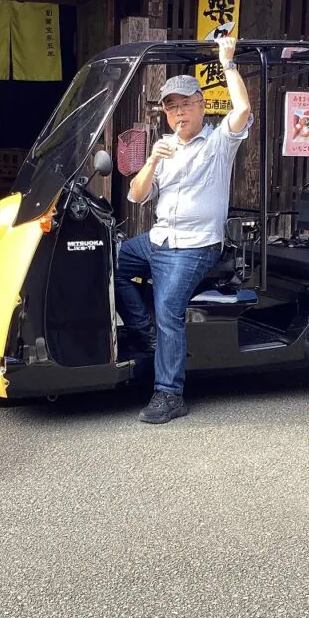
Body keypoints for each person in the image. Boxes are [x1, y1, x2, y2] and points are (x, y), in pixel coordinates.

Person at [115, 37, 251, 425]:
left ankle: (170, 393)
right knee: (116, 264)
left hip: (196, 245)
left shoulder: (219, 143)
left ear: (201, 105)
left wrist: (227, 61)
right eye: (171, 107)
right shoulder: (164, 147)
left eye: (185, 104)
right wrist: (152, 162)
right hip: (159, 239)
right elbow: (136, 195)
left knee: (169, 309)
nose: (178, 113)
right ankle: (151, 337)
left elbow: (242, 108)